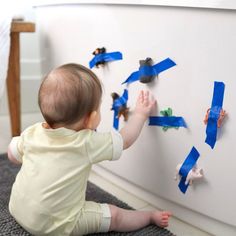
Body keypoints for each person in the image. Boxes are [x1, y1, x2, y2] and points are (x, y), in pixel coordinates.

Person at [7, 63, 172, 235]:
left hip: (18, 208)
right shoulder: (86, 142)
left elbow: (12, 155)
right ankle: (149, 217)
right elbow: (125, 140)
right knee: (114, 216)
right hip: (56, 227)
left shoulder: (32, 132)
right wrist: (139, 115)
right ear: (91, 119)